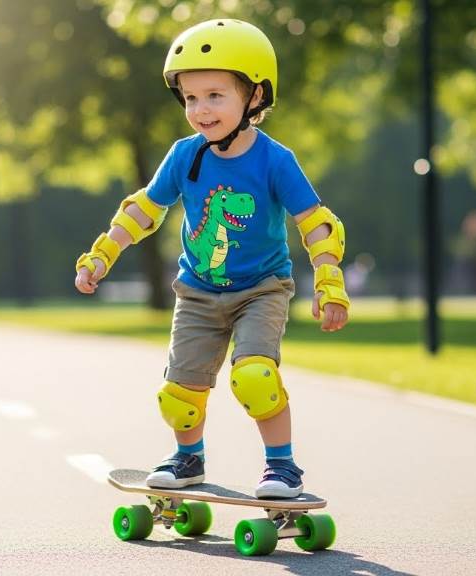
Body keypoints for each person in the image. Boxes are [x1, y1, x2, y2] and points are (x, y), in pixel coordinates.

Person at [74, 19, 350, 498]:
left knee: (255, 377)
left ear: (255, 97)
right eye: (190, 98)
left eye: (215, 95)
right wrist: (103, 254)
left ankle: (282, 468)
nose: (200, 109)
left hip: (261, 288)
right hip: (198, 291)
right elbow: (144, 209)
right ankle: (188, 459)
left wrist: (330, 282)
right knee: (179, 396)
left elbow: (315, 223)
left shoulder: (275, 160)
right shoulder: (184, 156)